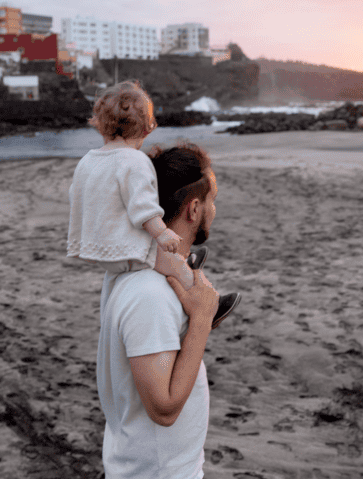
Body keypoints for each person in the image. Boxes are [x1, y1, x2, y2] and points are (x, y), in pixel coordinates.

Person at [67, 80, 238, 327]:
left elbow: (78, 197)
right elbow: (142, 205)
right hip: (124, 249)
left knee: (164, 260)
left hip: (97, 247)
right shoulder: (134, 161)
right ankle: (210, 309)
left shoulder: (87, 161)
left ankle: (188, 265)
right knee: (173, 264)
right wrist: (162, 232)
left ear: (100, 125)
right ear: (148, 128)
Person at [97, 142, 223, 478]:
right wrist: (200, 321)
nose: (214, 209)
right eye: (212, 201)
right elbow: (163, 409)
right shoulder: (148, 293)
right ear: (193, 209)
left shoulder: (139, 274)